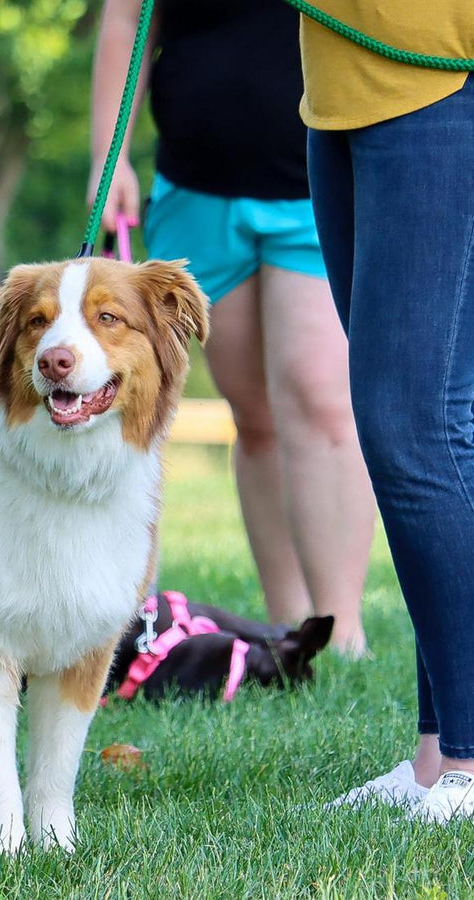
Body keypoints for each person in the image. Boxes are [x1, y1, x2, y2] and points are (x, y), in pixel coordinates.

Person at [88, 0, 375, 656]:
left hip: (317, 178)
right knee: (254, 412)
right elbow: (127, 18)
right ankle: (288, 625)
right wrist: (110, 160)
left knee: (318, 398)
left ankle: (340, 629)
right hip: (195, 184)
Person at [297, 2, 474, 821]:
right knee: (434, 425)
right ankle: (439, 757)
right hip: (344, 84)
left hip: (440, 76)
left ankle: (472, 758)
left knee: (414, 426)